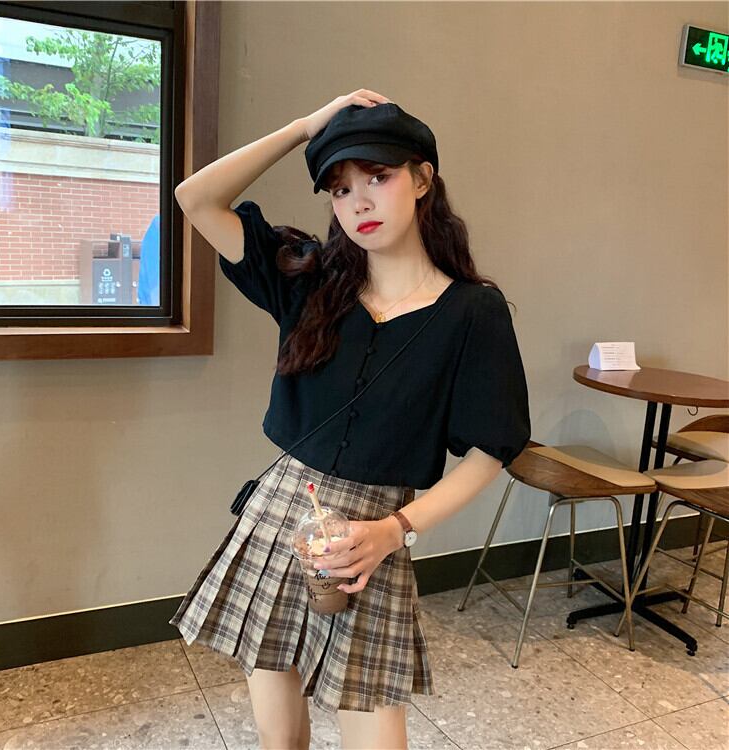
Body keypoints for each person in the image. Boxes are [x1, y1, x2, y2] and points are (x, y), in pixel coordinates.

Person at [168, 89, 531, 750]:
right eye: (339, 189)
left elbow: (493, 449)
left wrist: (396, 530)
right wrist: (305, 126)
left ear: (422, 179)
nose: (358, 201)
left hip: (374, 536)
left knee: (376, 733)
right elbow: (196, 198)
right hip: (279, 520)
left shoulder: (472, 313)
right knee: (280, 737)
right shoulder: (309, 278)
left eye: (378, 177)